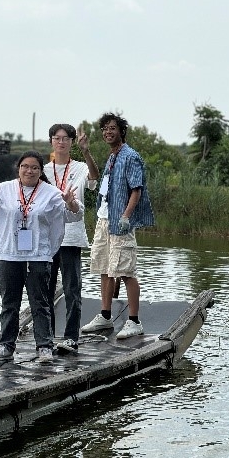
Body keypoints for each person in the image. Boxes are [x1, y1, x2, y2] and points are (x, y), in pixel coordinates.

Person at [0, 150, 83, 363]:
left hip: (38, 254)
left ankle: (44, 346)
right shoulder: (3, 189)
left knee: (40, 302)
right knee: (9, 303)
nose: (29, 171)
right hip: (9, 254)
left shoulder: (51, 193)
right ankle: (6, 345)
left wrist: (71, 202)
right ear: (18, 168)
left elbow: (74, 215)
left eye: (34, 167)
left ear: (41, 171)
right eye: (25, 166)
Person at [80, 112, 155, 339]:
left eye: (112, 128)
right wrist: (85, 150)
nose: (108, 132)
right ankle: (105, 315)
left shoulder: (130, 156)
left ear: (121, 131)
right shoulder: (113, 157)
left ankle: (134, 321)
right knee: (105, 268)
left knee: (125, 271)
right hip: (104, 218)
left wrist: (126, 216)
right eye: (104, 129)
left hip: (120, 221)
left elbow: (136, 189)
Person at [44, 124, 100, 353]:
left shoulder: (79, 167)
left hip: (71, 237)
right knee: (44, 291)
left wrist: (86, 151)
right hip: (46, 239)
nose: (61, 142)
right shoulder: (43, 169)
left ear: (72, 141)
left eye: (66, 138)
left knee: (72, 290)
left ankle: (70, 338)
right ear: (51, 141)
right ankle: (45, 337)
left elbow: (94, 178)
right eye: (57, 138)